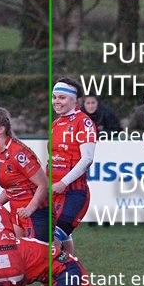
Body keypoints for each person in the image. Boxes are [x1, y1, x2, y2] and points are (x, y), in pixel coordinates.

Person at [0, 107, 49, 242]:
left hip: (36, 213)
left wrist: (30, 209)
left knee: (39, 252)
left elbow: (44, 185)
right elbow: (12, 187)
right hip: (17, 212)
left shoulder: (18, 153)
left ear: (0, 129)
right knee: (15, 249)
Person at [50, 78, 97, 254]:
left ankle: (67, 270)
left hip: (73, 193)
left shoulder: (83, 122)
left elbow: (87, 159)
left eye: (62, 97)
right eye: (54, 97)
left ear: (74, 99)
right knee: (59, 238)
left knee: (53, 240)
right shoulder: (56, 124)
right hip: (54, 192)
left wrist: (63, 182)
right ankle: (69, 269)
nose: (56, 101)